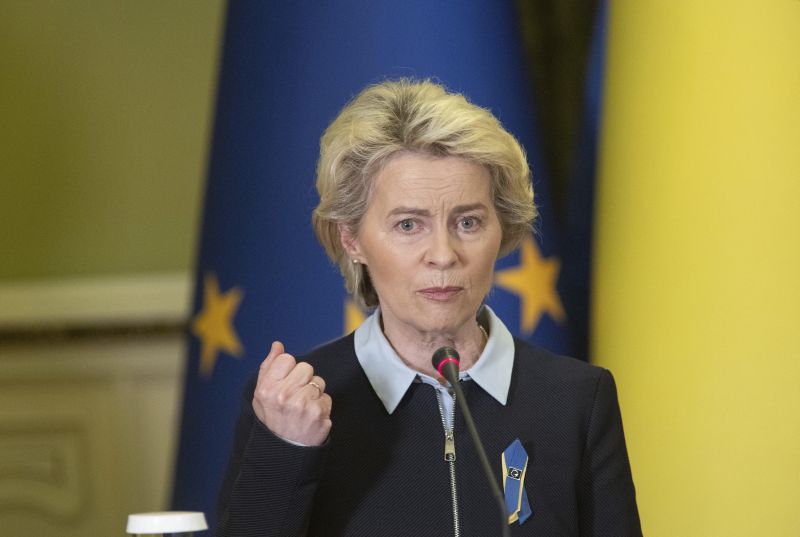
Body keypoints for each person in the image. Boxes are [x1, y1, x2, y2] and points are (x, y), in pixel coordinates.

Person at [216, 79, 642, 536]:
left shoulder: (576, 400)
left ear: (503, 229)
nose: (443, 254)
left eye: (468, 222)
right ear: (352, 239)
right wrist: (287, 451)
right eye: (408, 224)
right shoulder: (298, 405)